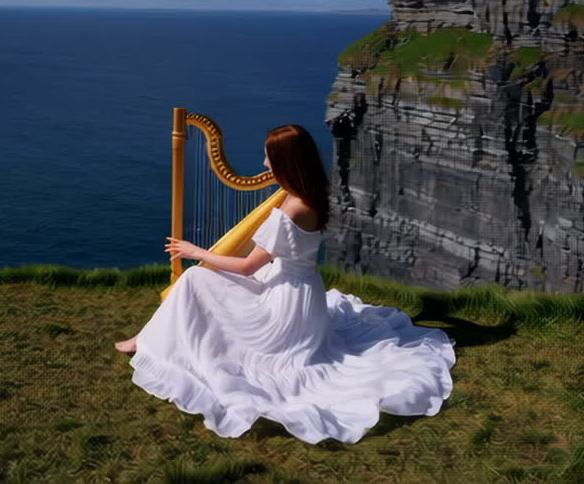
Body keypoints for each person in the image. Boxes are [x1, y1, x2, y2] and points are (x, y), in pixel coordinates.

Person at [114, 124, 456, 445]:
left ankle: (144, 341)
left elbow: (247, 267)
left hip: (283, 308)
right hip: (305, 294)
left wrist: (195, 252)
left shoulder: (288, 212)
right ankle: (146, 337)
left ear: (285, 162)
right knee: (208, 284)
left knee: (193, 277)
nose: (264, 163)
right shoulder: (314, 195)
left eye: (269, 157)